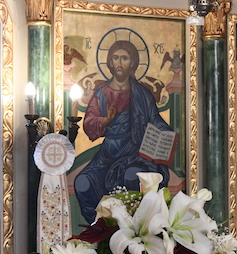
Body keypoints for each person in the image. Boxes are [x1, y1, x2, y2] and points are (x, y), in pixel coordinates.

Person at [73, 37, 174, 222]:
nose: (119, 63)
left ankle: (132, 226)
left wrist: (166, 135)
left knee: (132, 176)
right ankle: (98, 227)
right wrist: (106, 120)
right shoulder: (101, 93)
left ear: (133, 63)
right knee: (82, 183)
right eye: (115, 58)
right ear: (110, 62)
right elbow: (89, 124)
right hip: (107, 156)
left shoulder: (142, 95)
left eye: (124, 58)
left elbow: (155, 121)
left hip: (134, 153)